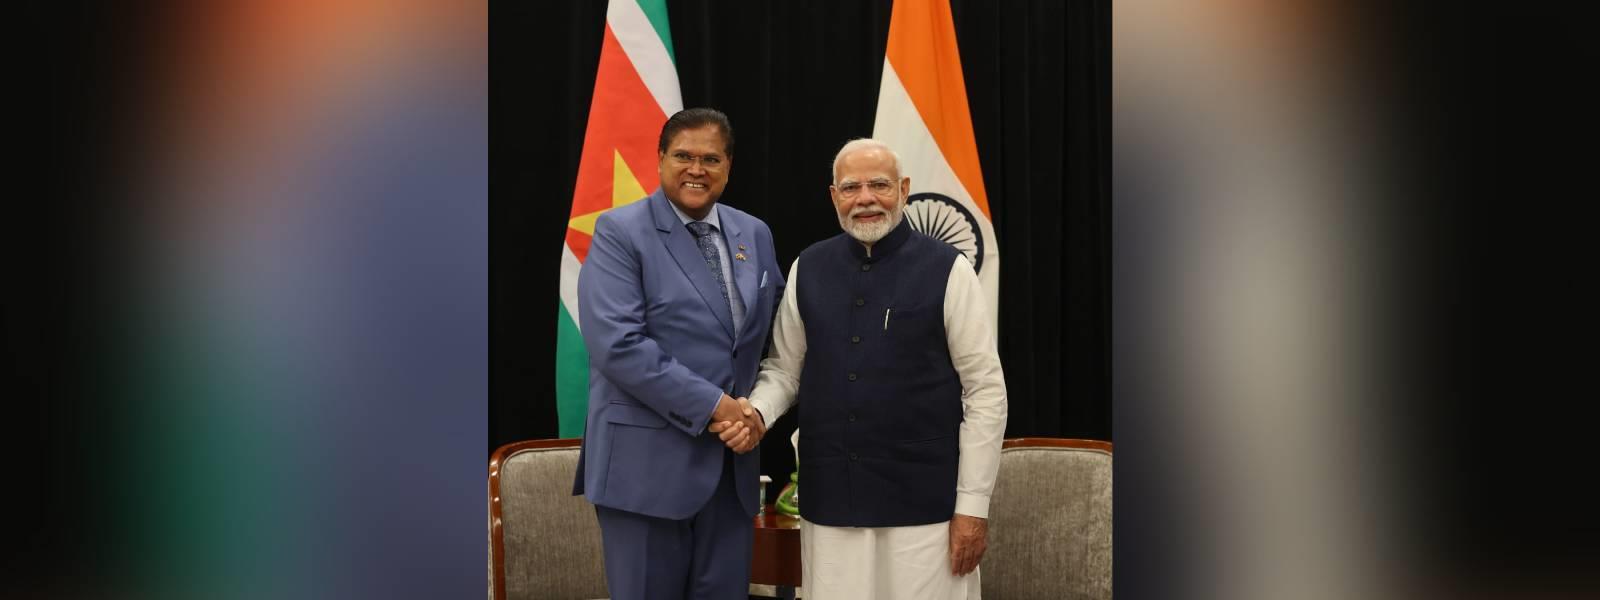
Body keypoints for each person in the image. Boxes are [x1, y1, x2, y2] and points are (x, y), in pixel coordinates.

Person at [731, 138, 1008, 599]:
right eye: (851, 187)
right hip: (831, 502)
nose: (865, 198)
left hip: (926, 505)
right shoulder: (809, 266)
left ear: (903, 189)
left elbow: (985, 392)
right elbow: (784, 370)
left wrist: (973, 507)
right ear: (833, 196)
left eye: (879, 185)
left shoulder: (948, 269)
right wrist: (756, 412)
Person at [572, 107, 780, 599]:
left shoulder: (755, 233)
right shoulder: (620, 231)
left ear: (729, 166)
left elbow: (773, 332)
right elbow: (617, 345)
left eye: (710, 158)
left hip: (732, 473)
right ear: (660, 159)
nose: (696, 169)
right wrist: (718, 407)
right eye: (683, 155)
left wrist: (757, 413)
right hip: (645, 473)